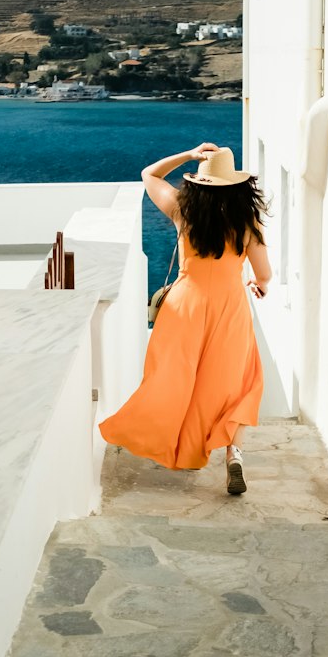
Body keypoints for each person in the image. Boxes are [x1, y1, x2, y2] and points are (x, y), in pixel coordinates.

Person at [100, 142, 271, 495]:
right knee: (241, 382)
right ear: (237, 185)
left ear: (198, 182)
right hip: (229, 306)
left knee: (175, 380)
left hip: (184, 307)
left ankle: (168, 437)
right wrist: (260, 283)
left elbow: (149, 174)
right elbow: (263, 271)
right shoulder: (245, 221)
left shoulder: (183, 209)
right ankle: (233, 452)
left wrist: (189, 155)